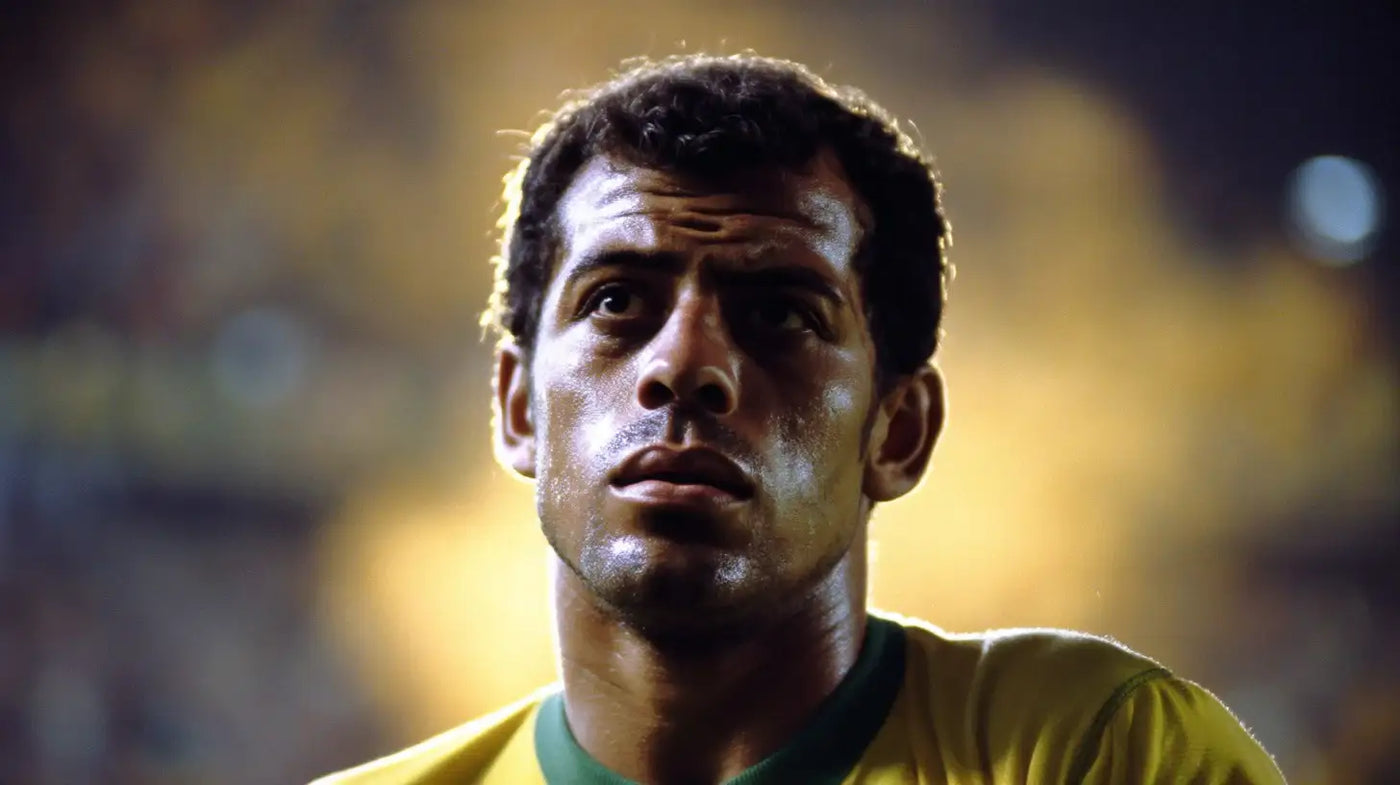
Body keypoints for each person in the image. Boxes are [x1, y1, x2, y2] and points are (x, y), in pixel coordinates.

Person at [313, 53, 1285, 784]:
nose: (685, 364)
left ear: (896, 429)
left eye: (778, 311)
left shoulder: (1100, 753)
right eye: (616, 302)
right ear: (517, 404)